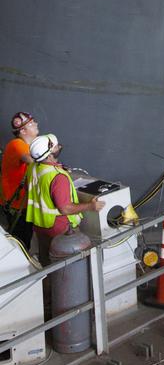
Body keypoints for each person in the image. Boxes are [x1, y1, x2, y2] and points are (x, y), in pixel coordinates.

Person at [25, 134, 104, 263]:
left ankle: (47, 281)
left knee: (46, 259)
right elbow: (65, 208)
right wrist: (91, 206)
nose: (58, 146)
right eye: (55, 146)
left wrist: (57, 166)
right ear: (49, 156)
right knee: (66, 265)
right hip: (60, 229)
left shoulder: (33, 168)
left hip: (41, 225)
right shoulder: (58, 177)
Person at [1, 112, 40, 251]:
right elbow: (33, 162)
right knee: (20, 244)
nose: (35, 124)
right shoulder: (17, 144)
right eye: (31, 123)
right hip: (17, 206)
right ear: (22, 130)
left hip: (22, 204)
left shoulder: (27, 145)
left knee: (25, 240)